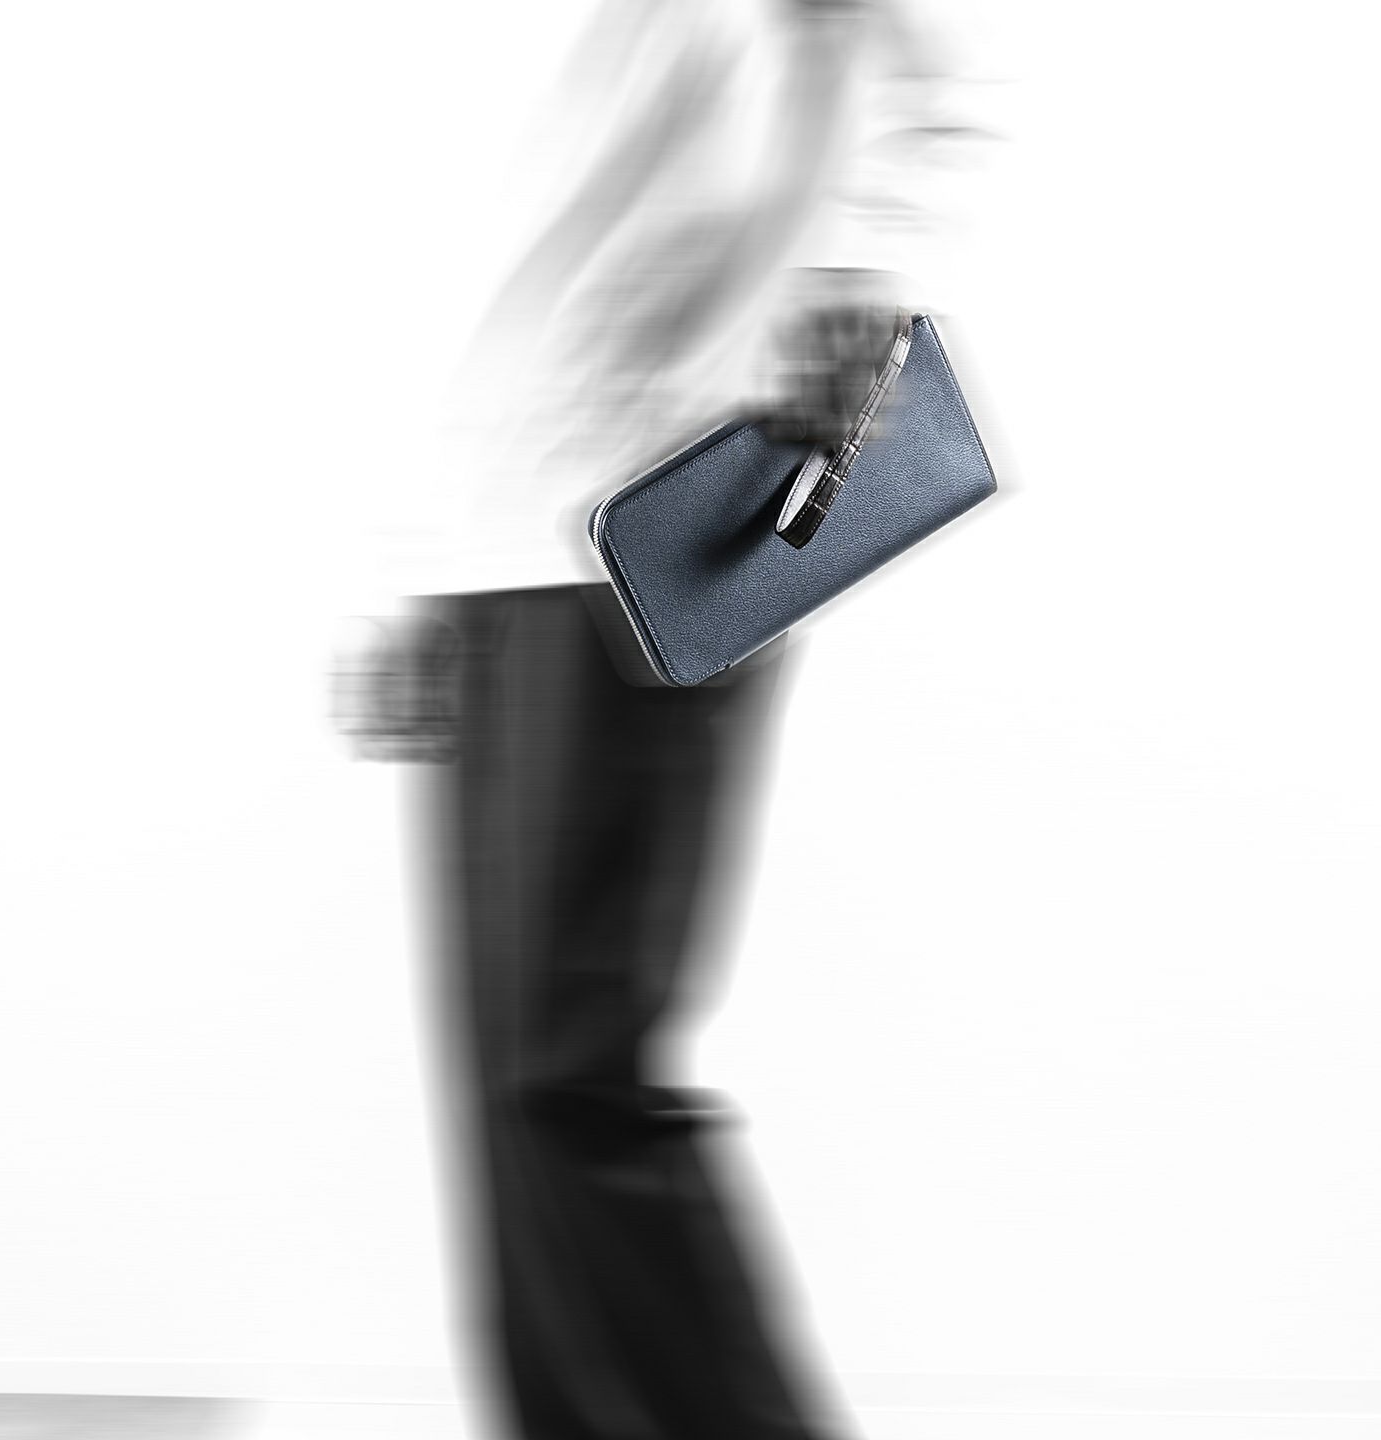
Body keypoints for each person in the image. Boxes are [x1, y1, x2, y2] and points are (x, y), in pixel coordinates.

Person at [333, 2, 980, 1435]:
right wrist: (409, 565)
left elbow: (932, 82)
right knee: (512, 1101)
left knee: (569, 1078)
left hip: (652, 526)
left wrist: (857, 265)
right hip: (493, 548)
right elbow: (492, 239)